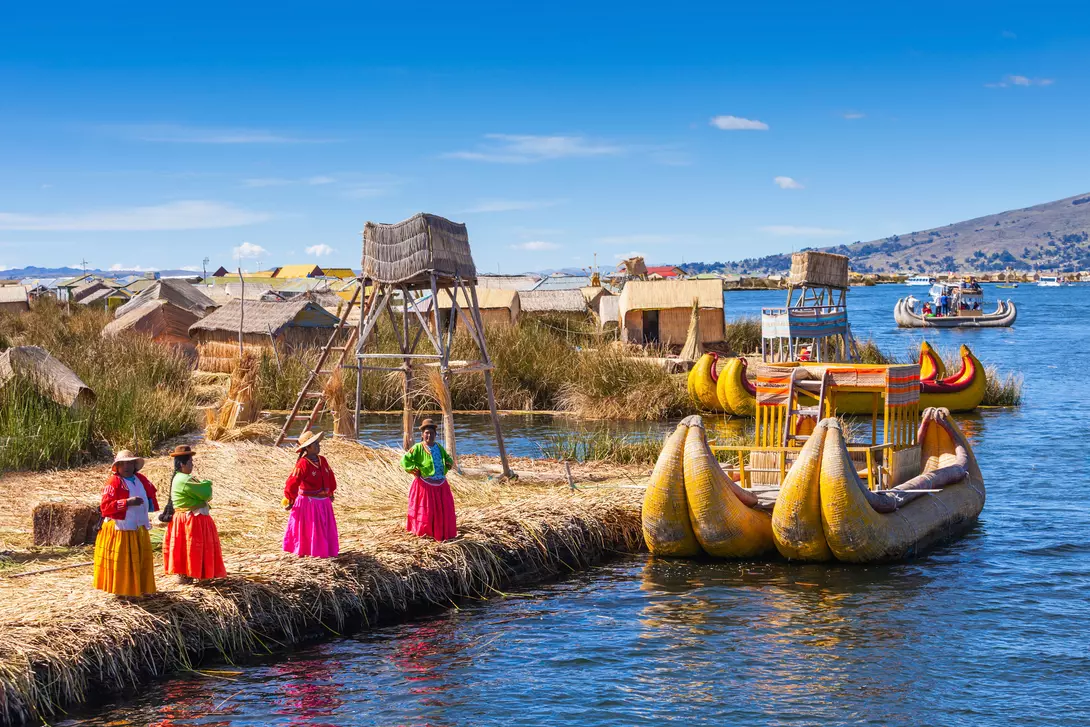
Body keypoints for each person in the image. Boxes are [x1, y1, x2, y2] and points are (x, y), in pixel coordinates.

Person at [93, 449, 159, 597]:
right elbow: (105, 507)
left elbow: (151, 496)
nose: (126, 467)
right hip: (121, 528)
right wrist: (127, 503)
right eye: (122, 464)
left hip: (138, 527)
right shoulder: (114, 482)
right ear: (117, 467)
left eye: (130, 463)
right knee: (124, 562)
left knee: (139, 560)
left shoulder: (141, 479)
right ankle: (122, 591)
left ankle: (139, 588)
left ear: (135, 465)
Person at [163, 445, 226, 582]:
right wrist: (207, 483)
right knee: (193, 548)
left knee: (185, 548)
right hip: (191, 520)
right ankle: (195, 574)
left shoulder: (180, 478)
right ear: (182, 464)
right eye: (191, 462)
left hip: (185, 518)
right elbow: (206, 493)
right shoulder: (185, 480)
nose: (192, 465)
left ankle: (186, 575)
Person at [282, 430, 339, 558]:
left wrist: (330, 492)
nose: (319, 446)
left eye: (318, 443)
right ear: (308, 447)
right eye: (315, 444)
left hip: (324, 502)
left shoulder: (322, 460)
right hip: (309, 503)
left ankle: (325, 551)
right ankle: (308, 551)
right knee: (310, 529)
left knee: (324, 528)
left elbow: (330, 476)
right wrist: (290, 499)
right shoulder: (303, 463)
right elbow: (292, 482)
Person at [401, 419, 457, 541]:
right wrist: (414, 469)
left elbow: (447, 458)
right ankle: (425, 532)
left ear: (435, 435)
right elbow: (405, 460)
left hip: (441, 484)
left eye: (432, 433)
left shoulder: (439, 447)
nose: (429, 435)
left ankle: (440, 532)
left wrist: (449, 463)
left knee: (442, 510)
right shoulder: (418, 448)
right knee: (427, 510)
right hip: (425, 485)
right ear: (422, 434)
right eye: (426, 433)